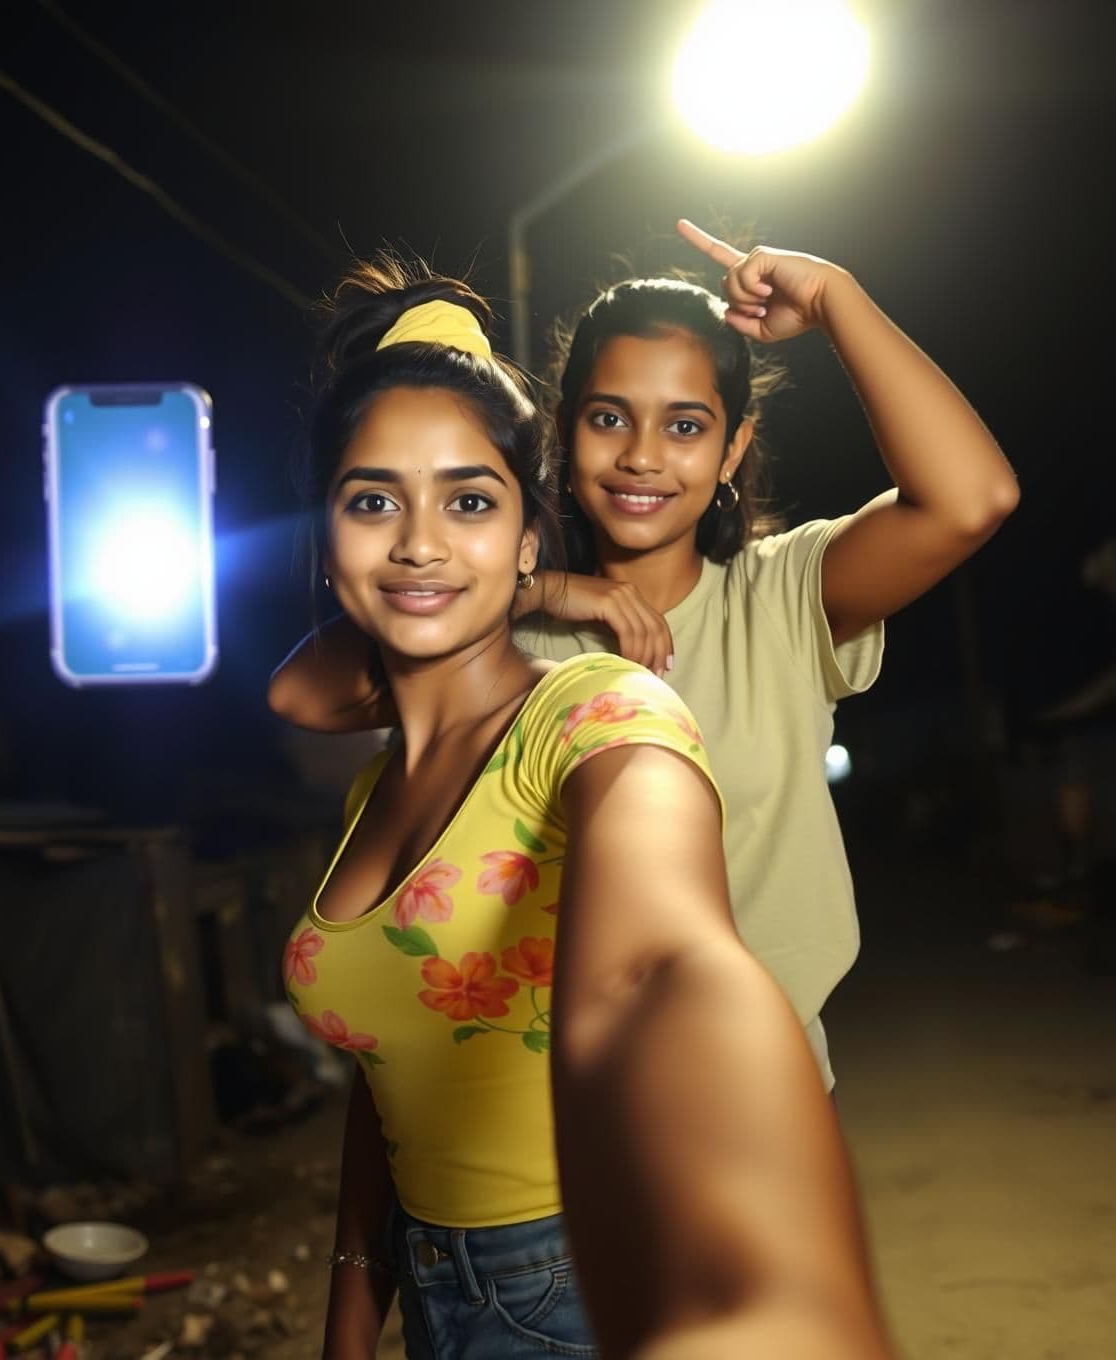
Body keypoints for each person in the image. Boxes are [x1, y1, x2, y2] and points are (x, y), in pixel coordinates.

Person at [280, 254, 893, 1359]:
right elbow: (408, 1049)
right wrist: (355, 1295)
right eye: (373, 498)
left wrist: (789, 1277)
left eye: (466, 499)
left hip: (612, 1221)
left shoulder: (599, 699)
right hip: (438, 1271)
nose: (419, 540)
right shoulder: (401, 769)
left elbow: (658, 958)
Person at [271, 220, 1020, 1093]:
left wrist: (834, 299)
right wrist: (544, 590)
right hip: (543, 1136)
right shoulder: (488, 630)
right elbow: (304, 694)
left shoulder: (778, 597)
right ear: (562, 428)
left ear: (733, 447)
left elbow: (974, 498)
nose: (642, 456)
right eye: (609, 416)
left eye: (687, 425)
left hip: (746, 1102)